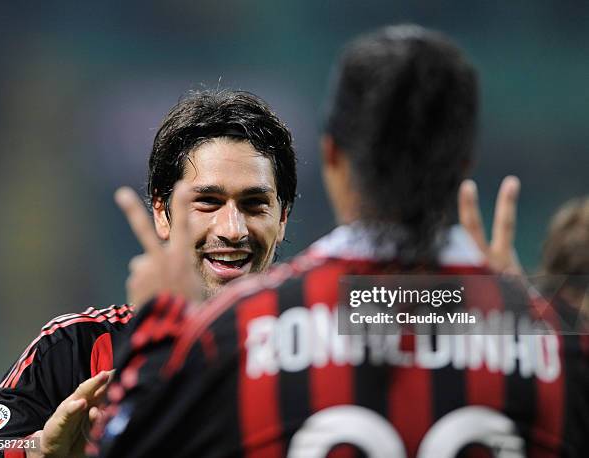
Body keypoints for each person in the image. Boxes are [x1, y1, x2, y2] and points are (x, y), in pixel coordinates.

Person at [96, 24, 588, 457]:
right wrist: (513, 307)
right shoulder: (559, 343)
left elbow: (123, 444)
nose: (231, 228)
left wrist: (159, 331)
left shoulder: (236, 333)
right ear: (463, 164)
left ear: (331, 158)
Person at [0, 90, 297, 458]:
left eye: (254, 204)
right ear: (162, 213)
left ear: (282, 216)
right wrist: (39, 450)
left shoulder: (322, 342)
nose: (233, 228)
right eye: (207, 202)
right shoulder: (77, 345)